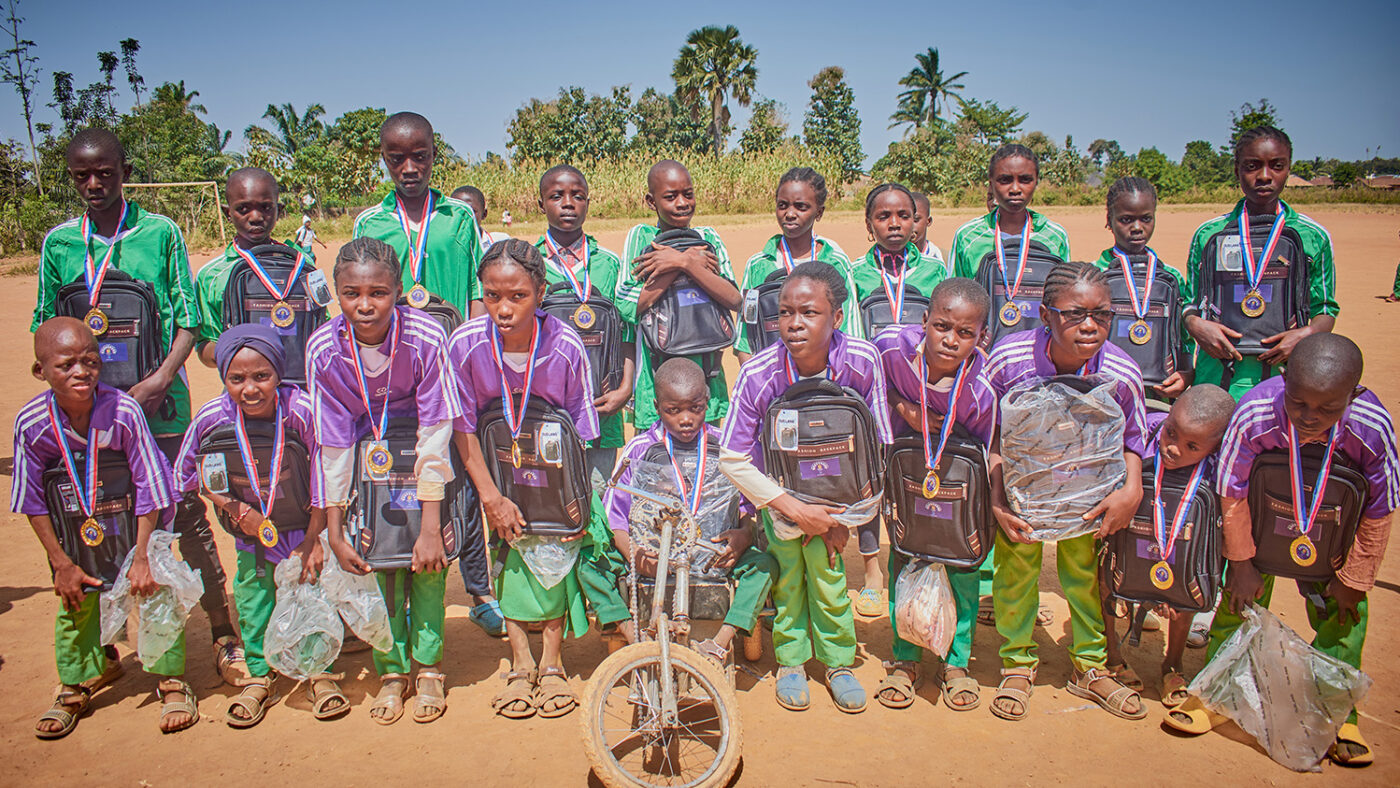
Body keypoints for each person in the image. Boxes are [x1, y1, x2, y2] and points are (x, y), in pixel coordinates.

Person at [33, 127, 243, 687]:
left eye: (106, 172)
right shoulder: (59, 244)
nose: (95, 184)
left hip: (158, 409)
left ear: (125, 169)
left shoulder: (160, 233)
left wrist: (158, 381)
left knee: (183, 517)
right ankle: (99, 649)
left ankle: (222, 632)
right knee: (89, 515)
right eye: (83, 175)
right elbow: (44, 327)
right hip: (86, 415)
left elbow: (186, 317)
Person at [1167, 333, 1398, 767]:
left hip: (1332, 533)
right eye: (1298, 402)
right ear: (1285, 381)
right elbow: (1231, 494)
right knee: (1239, 601)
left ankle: (1338, 709)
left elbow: (1379, 511)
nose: (1310, 417)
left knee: (1345, 614)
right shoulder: (1255, 412)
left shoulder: (1372, 425)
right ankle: (1217, 692)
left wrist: (1355, 578)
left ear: (1355, 394)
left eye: (1329, 408)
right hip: (1260, 523)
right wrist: (1241, 562)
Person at [448, 239, 620, 720]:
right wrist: (491, 497)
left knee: (557, 557)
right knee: (509, 557)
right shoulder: (465, 345)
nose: (503, 309)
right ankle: (520, 661)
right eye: (492, 296)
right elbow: (462, 427)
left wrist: (573, 503)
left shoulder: (565, 345)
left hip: (555, 473)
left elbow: (581, 434)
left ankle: (551, 663)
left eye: (517, 296)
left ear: (541, 292)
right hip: (494, 471)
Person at [720, 262, 893, 714]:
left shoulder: (862, 361)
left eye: (809, 313)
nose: (794, 324)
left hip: (837, 510)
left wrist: (843, 519)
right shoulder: (759, 372)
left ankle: (838, 664)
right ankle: (792, 663)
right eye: (784, 313)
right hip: (778, 503)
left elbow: (879, 449)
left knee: (831, 581)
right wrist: (795, 511)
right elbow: (732, 457)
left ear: (837, 317)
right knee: (789, 581)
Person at [306, 237, 460, 725]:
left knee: (428, 567)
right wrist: (333, 529)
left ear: (398, 291)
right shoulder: (323, 350)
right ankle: (391, 670)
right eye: (352, 293)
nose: (365, 305)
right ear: (336, 292)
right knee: (378, 568)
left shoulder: (426, 338)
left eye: (379, 292)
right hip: (363, 470)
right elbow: (331, 445)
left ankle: (429, 666)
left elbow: (436, 431)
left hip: (422, 462)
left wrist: (432, 523)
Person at [984, 261, 1147, 721]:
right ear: (1045, 315)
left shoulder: (1121, 371)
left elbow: (1134, 438)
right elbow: (988, 434)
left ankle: (1091, 666)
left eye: (1102, 314)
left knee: (1084, 575)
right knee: (1015, 570)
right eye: (1075, 314)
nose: (1090, 325)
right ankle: (1017, 662)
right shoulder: (1008, 360)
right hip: (1022, 491)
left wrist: (1130, 490)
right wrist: (998, 499)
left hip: (1091, 494)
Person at [15, 318, 193, 736]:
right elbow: (32, 500)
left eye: (90, 361)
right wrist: (60, 563)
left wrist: (145, 556)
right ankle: (76, 684)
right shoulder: (31, 424)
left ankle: (171, 680)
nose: (81, 372)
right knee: (76, 599)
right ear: (41, 371)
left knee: (155, 594)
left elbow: (151, 486)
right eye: (66, 365)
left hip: (137, 527)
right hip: (75, 530)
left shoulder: (124, 412)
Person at [175, 324, 345, 727]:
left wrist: (314, 537)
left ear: (279, 373)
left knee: (310, 597)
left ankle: (316, 672)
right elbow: (189, 471)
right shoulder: (211, 418)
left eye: (261, 376)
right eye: (236, 379)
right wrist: (233, 507)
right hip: (250, 535)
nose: (249, 389)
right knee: (253, 600)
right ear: (223, 378)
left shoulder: (301, 410)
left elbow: (325, 473)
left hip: (301, 530)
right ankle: (259, 675)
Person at [872, 277, 997, 711]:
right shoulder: (890, 348)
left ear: (982, 336)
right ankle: (905, 659)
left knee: (962, 569)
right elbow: (868, 386)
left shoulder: (982, 388)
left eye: (966, 334)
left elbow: (987, 451)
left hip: (959, 492)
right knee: (905, 558)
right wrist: (902, 408)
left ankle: (956, 662)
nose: (951, 340)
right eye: (942, 326)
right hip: (908, 480)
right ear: (924, 320)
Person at [606, 358, 778, 663]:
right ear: (657, 406)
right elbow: (616, 519)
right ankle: (630, 633)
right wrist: (635, 553)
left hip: (714, 557)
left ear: (708, 401)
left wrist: (743, 536)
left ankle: (720, 641)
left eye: (695, 408)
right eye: (673, 410)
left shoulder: (726, 448)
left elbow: (747, 508)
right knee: (590, 565)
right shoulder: (639, 451)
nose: (685, 419)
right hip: (653, 558)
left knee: (765, 565)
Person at [1096, 384, 1235, 705]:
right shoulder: (1141, 441)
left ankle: (1173, 663)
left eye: (1191, 446)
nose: (1173, 448)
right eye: (1171, 433)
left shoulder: (1217, 470)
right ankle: (1112, 652)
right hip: (1128, 541)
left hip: (1181, 550)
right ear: (1168, 417)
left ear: (1214, 447)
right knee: (1104, 577)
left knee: (1184, 593)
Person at [847, 182, 948, 615]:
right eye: (883, 217)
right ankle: (872, 569)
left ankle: (915, 560)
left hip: (921, 399)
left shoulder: (934, 273)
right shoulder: (854, 273)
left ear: (916, 221)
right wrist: (882, 395)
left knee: (917, 480)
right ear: (869, 225)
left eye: (903, 216)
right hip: (872, 398)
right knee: (869, 483)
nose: (894, 224)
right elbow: (849, 338)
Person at [1184, 126, 1337, 399]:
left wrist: (1306, 334)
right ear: (1237, 170)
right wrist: (1196, 326)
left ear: (1289, 168)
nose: (1264, 176)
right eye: (1252, 166)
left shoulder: (1312, 236)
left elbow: (1325, 307)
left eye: (1276, 166)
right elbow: (1190, 302)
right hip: (1217, 378)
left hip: (1285, 380)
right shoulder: (1209, 234)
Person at [617, 159, 742, 430]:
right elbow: (628, 307)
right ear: (651, 202)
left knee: (705, 465)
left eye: (688, 193)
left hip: (707, 381)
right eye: (670, 197)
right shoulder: (641, 237)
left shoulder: (709, 237)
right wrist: (683, 261)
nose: (682, 203)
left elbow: (734, 300)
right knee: (655, 464)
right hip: (654, 383)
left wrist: (683, 263)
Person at [534, 165, 635, 486]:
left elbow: (626, 334)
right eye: (556, 196)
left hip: (603, 411)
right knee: (552, 500)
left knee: (598, 499)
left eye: (578, 196)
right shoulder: (529, 263)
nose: (568, 204)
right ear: (541, 204)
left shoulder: (608, 263)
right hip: (547, 412)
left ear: (588, 203)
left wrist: (625, 389)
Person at [353, 112, 485, 317]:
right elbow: (359, 294)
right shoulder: (369, 223)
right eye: (397, 159)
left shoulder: (460, 216)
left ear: (434, 153)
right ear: (384, 158)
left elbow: (478, 291)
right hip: (394, 345)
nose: (409, 169)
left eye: (419, 157)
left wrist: (470, 343)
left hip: (450, 343)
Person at [734, 167, 857, 363]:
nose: (790, 214)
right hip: (771, 380)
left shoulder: (835, 262)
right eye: (783, 205)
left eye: (801, 207)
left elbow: (851, 334)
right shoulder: (759, 265)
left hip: (825, 378)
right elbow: (745, 339)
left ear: (819, 212)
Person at [1093, 176, 1193, 399]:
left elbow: (1184, 337)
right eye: (1126, 219)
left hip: (1159, 394)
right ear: (1109, 220)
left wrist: (1186, 374)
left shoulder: (1170, 277)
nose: (1137, 228)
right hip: (1104, 394)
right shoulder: (1092, 274)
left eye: (1146, 218)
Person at [194, 168, 296, 367]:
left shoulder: (301, 264)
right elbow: (205, 346)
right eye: (243, 209)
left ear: (279, 210)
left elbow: (322, 324)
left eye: (266, 207)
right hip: (245, 387)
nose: (256, 217)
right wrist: (244, 352)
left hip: (300, 384)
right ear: (228, 213)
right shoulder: (210, 276)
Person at [948, 144, 1071, 279]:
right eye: (1005, 180)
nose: (1015, 189)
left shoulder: (1055, 236)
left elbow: (1063, 291)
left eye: (1025, 180)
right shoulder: (967, 236)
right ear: (991, 183)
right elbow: (955, 292)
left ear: (1036, 182)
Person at [910, 190, 946, 266]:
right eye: (904, 218)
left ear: (928, 221)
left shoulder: (938, 257)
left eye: (916, 220)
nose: (909, 226)